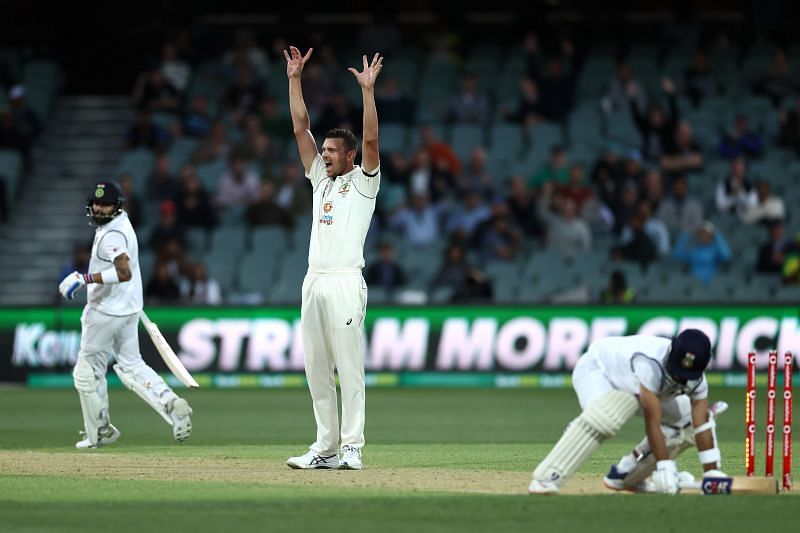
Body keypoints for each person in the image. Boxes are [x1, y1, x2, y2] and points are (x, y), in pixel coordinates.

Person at [283, 46, 382, 471]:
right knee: (317, 370)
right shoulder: (319, 180)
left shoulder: (364, 183)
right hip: (314, 281)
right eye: (323, 151)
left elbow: (373, 138)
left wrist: (366, 91)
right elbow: (300, 127)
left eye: (331, 151)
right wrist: (293, 79)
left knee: (349, 366)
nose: (323, 154)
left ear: (350, 156)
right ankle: (324, 448)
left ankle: (352, 446)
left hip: (345, 281)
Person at [57, 181, 192, 449]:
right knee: (132, 365)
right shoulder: (121, 223)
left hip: (105, 312)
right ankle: (171, 403)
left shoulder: (111, 236)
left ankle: (100, 431)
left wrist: (84, 278)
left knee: (86, 373)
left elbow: (124, 272)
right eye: (95, 203)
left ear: (116, 206)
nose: (98, 207)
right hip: (129, 309)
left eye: (105, 204)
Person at [528, 329, 726, 494]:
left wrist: (711, 475)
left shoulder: (698, 380)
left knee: (688, 422)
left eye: (685, 375)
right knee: (606, 416)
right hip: (599, 372)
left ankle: (627, 477)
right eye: (675, 370)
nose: (678, 377)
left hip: (636, 388)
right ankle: (547, 478)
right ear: (671, 351)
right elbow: (652, 421)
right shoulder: (649, 363)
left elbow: (701, 422)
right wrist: (665, 466)